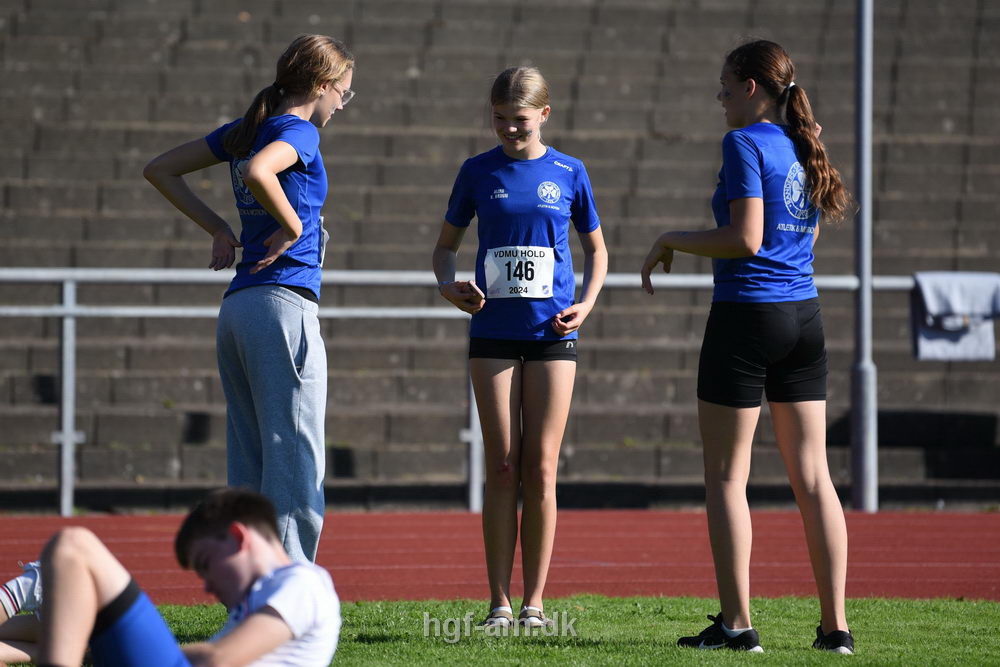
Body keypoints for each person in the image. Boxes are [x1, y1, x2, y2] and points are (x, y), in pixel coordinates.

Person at [640, 40, 854, 654]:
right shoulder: (803, 140)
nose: (720, 97)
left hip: (747, 316)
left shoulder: (744, 142)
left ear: (753, 89)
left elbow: (747, 239)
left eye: (727, 87)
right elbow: (796, 242)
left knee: (727, 477)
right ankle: (835, 629)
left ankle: (737, 625)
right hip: (804, 317)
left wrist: (671, 238)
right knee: (814, 478)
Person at [144, 35, 356, 563]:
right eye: (344, 94)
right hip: (283, 306)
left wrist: (219, 227)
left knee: (252, 458)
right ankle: (286, 594)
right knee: (295, 458)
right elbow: (261, 171)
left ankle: (246, 582)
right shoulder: (298, 131)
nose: (342, 105)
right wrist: (290, 223)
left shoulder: (248, 129)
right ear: (323, 86)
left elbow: (160, 169)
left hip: (239, 309)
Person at [433, 66, 608, 628]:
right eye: (501, 120)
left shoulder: (570, 172)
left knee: (542, 466)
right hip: (492, 334)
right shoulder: (477, 171)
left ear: (544, 116)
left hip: (554, 334)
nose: (511, 130)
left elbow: (597, 251)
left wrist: (587, 302)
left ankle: (534, 601)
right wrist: (449, 285)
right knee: (503, 464)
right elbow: (445, 248)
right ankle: (498, 602)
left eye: (522, 121)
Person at [2, 488, 341, 666]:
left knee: (72, 546)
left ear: (238, 538)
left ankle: (28, 591)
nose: (207, 586)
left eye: (206, 564)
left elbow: (217, 660)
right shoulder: (264, 595)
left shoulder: (303, 583)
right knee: (75, 590)